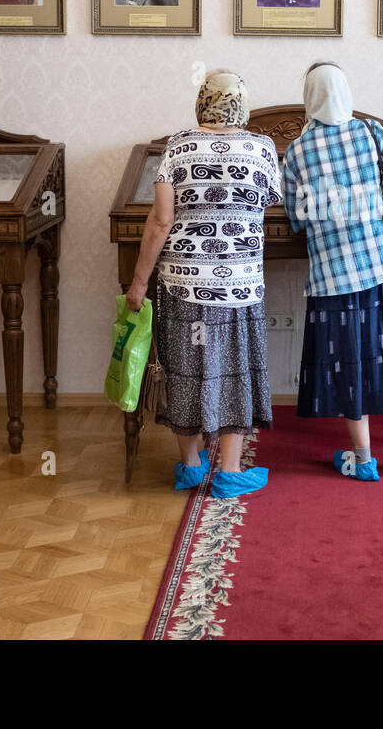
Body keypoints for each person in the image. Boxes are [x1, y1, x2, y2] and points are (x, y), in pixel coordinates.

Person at [281, 62, 383, 481]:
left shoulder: (297, 150)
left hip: (333, 277)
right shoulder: (370, 131)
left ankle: (362, 457)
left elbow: (296, 219)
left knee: (347, 360)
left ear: (310, 98)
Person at [126, 69, 280, 499]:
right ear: (242, 104)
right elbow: (268, 202)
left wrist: (138, 284)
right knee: (234, 372)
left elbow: (160, 222)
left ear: (201, 101)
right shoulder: (262, 148)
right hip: (240, 284)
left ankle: (191, 466)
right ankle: (230, 472)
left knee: (185, 368)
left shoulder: (177, 147)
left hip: (182, 281)